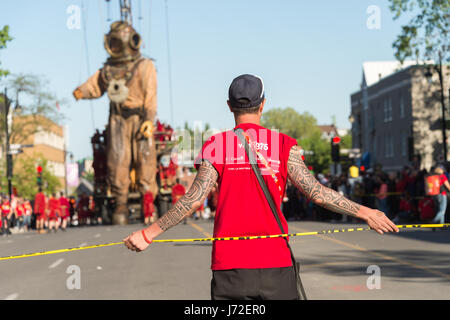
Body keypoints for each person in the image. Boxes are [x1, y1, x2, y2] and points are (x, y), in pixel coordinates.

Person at [123, 74, 398, 300]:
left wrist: (148, 234)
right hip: (275, 266)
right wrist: (366, 212)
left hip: (230, 269)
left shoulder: (216, 146)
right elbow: (316, 191)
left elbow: (193, 200)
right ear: (262, 104)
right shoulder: (283, 145)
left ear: (229, 106)